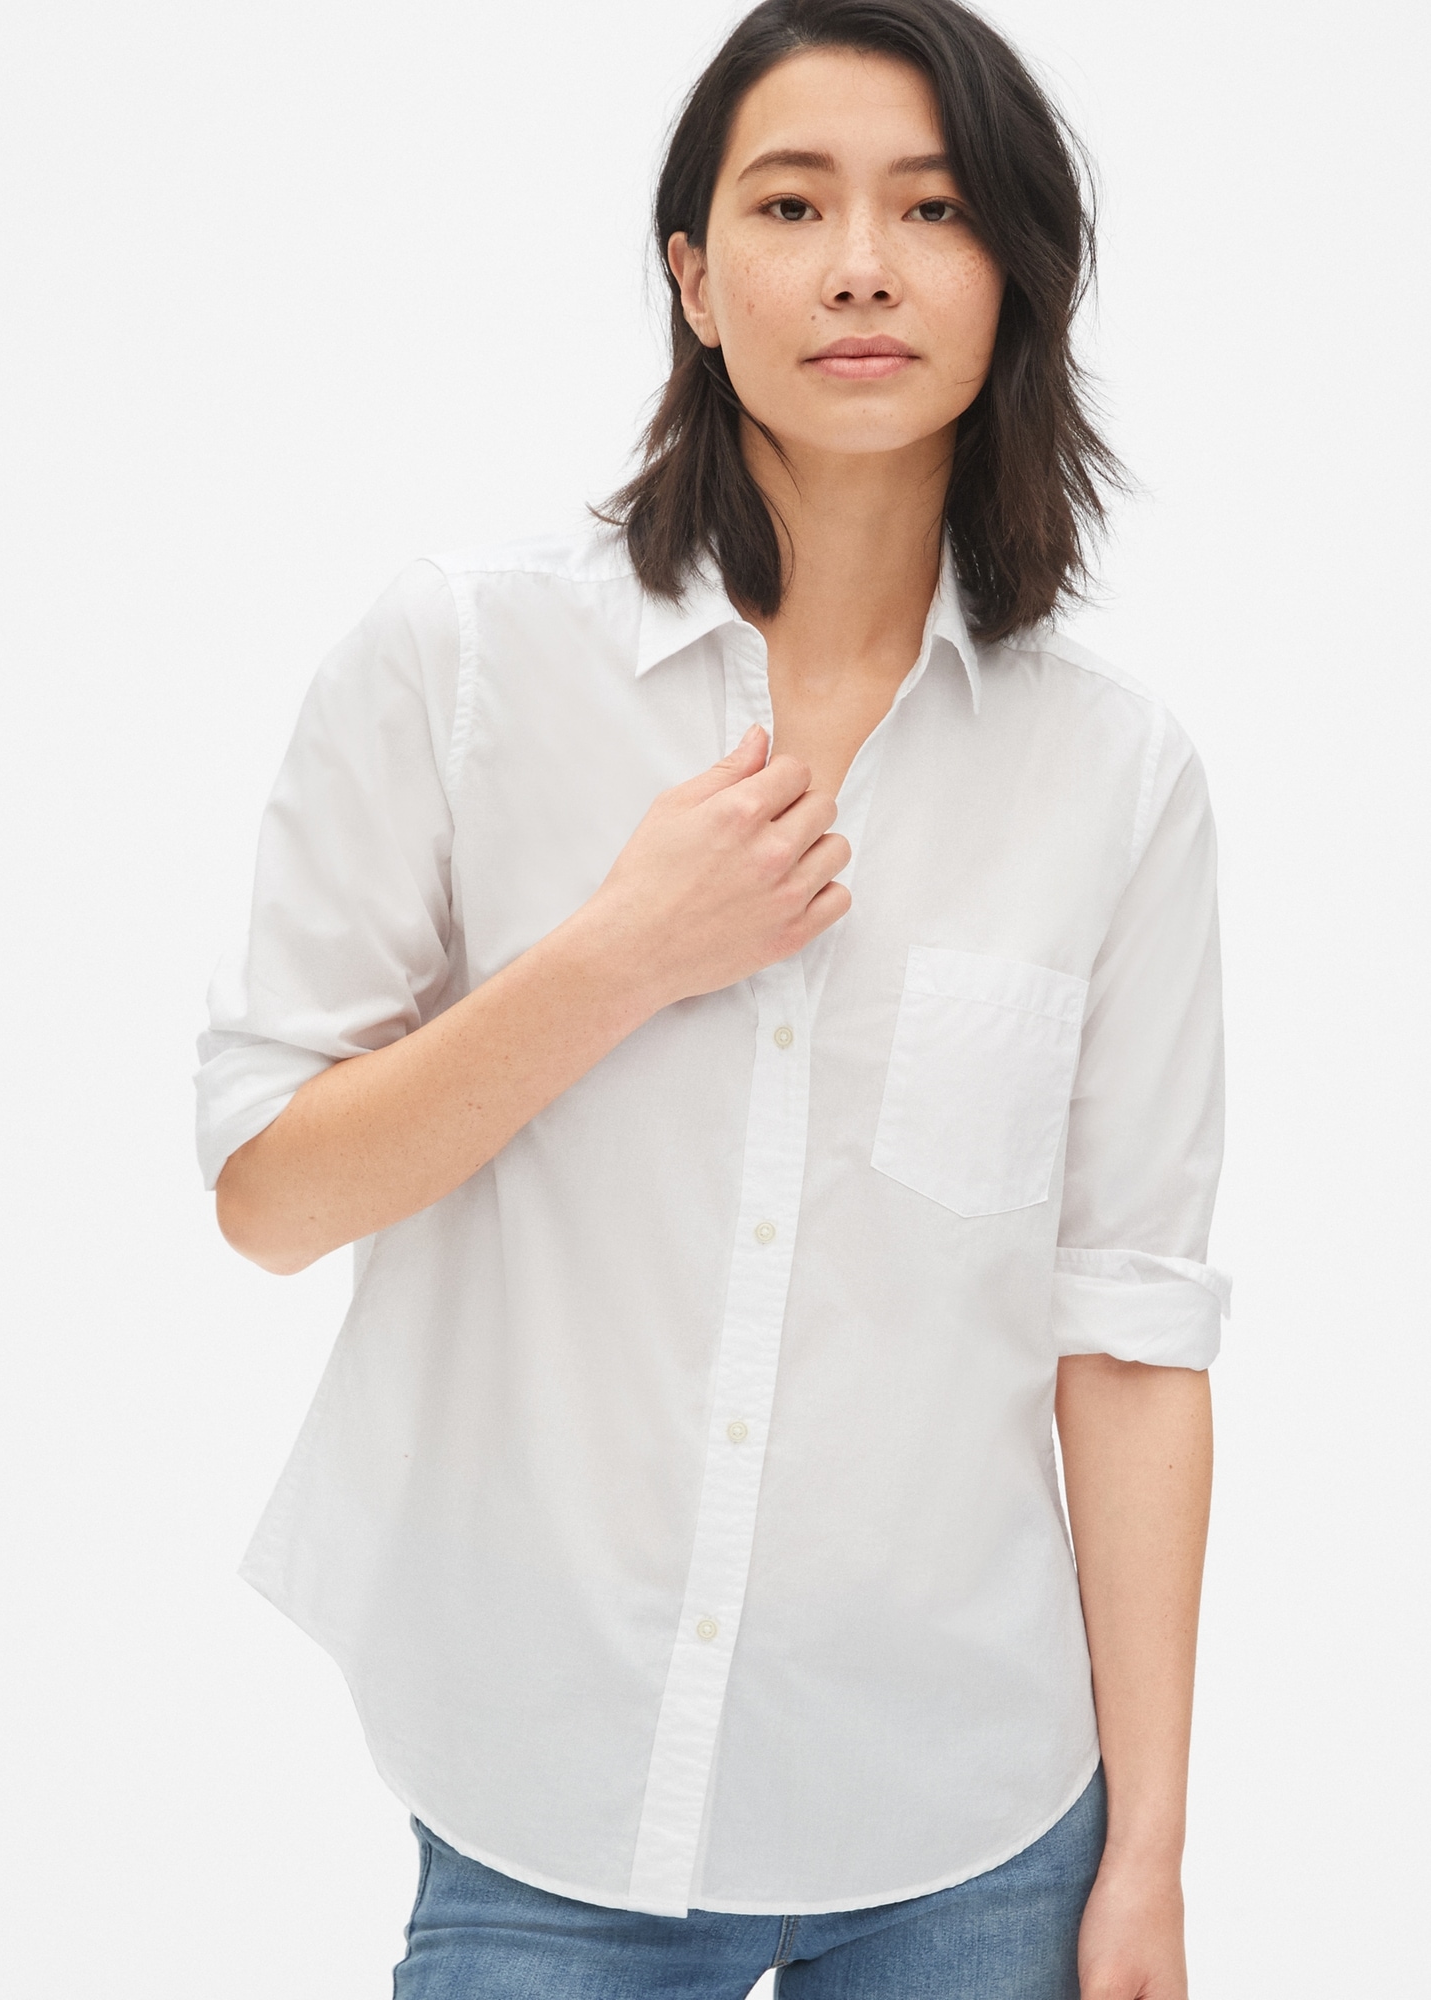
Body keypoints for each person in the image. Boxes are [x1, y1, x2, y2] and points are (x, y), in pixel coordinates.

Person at [196, 1, 1227, 1993]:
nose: (862, 263)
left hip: (976, 1817)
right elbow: (270, 1193)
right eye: (791, 202)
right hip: (549, 1792)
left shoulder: (1115, 776)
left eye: (934, 207)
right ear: (691, 275)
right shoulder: (462, 664)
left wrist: (1152, 1856)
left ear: (1016, 273)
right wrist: (619, 956)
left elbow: (1130, 1334)